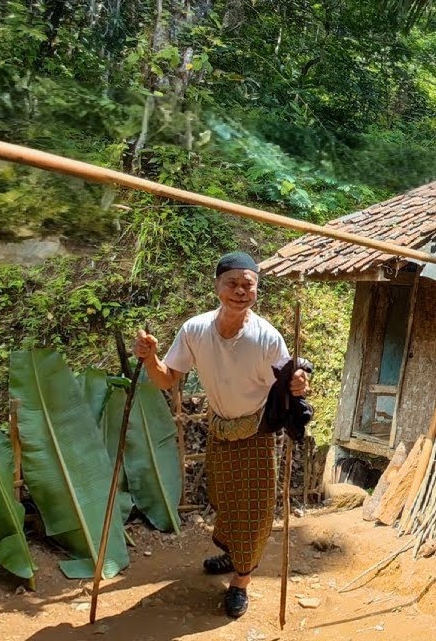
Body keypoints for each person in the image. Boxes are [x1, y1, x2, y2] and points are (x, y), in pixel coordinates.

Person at [134, 251, 309, 619]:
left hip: (258, 431)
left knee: (256, 509)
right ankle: (232, 555)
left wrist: (297, 384)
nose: (241, 291)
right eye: (232, 283)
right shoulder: (195, 330)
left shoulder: (267, 337)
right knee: (226, 502)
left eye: (249, 285)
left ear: (257, 290)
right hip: (221, 428)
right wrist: (150, 358)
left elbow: (287, 382)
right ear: (216, 286)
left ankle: (241, 582)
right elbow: (168, 378)